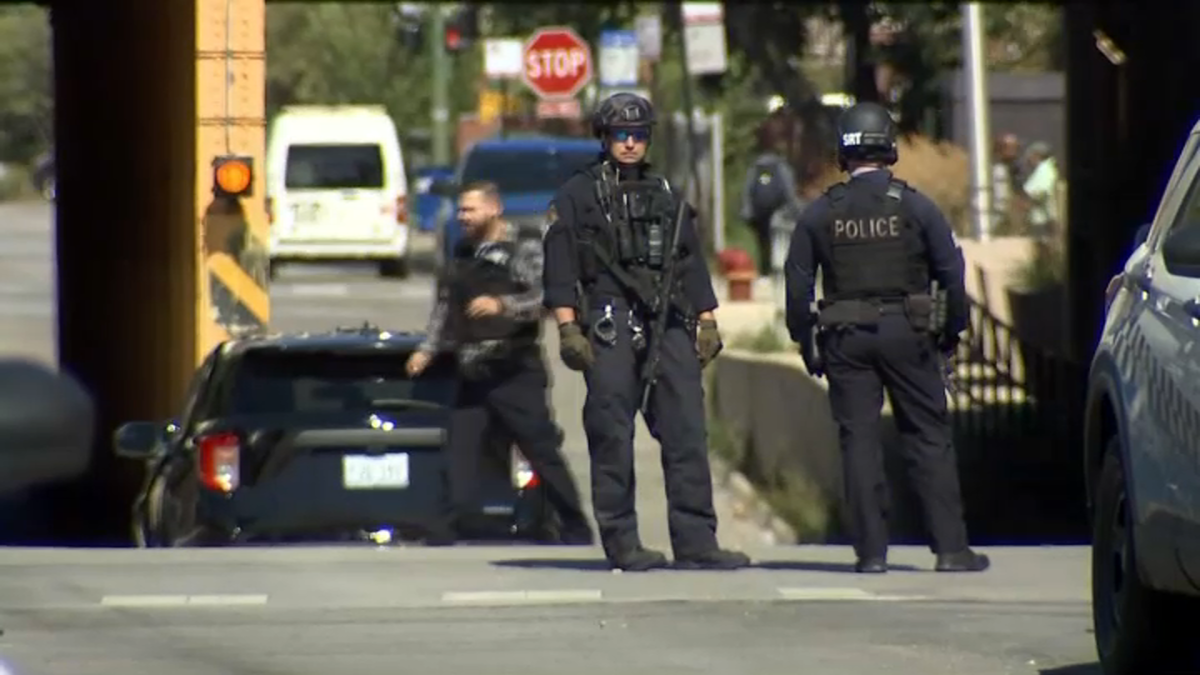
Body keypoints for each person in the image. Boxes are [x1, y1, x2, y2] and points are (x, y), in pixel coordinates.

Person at [542, 92, 750, 572]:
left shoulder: (666, 193)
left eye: (638, 135)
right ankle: (623, 542)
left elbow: (691, 262)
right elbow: (559, 267)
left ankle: (697, 540)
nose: (631, 143)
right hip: (611, 320)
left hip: (668, 320)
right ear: (604, 137)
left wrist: (707, 318)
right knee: (612, 432)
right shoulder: (578, 195)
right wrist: (569, 327)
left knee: (686, 430)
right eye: (621, 135)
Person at [783, 101, 990, 574]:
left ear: (844, 152)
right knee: (928, 437)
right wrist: (950, 332)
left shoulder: (820, 213)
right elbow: (950, 275)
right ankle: (951, 550)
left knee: (858, 441)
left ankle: (871, 554)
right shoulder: (917, 207)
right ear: (890, 148)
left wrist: (805, 340)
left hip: (845, 338)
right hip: (909, 334)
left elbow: (797, 285)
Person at [406, 181, 593, 546]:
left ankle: (574, 524)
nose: (462, 217)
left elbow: (546, 298)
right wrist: (427, 349)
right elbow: (445, 307)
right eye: (460, 210)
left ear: (494, 209)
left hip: (514, 368)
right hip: (472, 370)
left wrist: (502, 305)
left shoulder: (522, 249)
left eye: (469, 210)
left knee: (540, 450)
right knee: (459, 449)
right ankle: (448, 526)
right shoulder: (461, 253)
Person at [741, 113, 804, 275]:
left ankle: (765, 270)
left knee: (763, 242)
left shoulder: (756, 166)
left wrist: (747, 210)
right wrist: (796, 208)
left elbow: (749, 187)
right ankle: (779, 270)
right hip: (778, 209)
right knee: (779, 239)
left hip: (759, 210)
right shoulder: (781, 166)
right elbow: (788, 189)